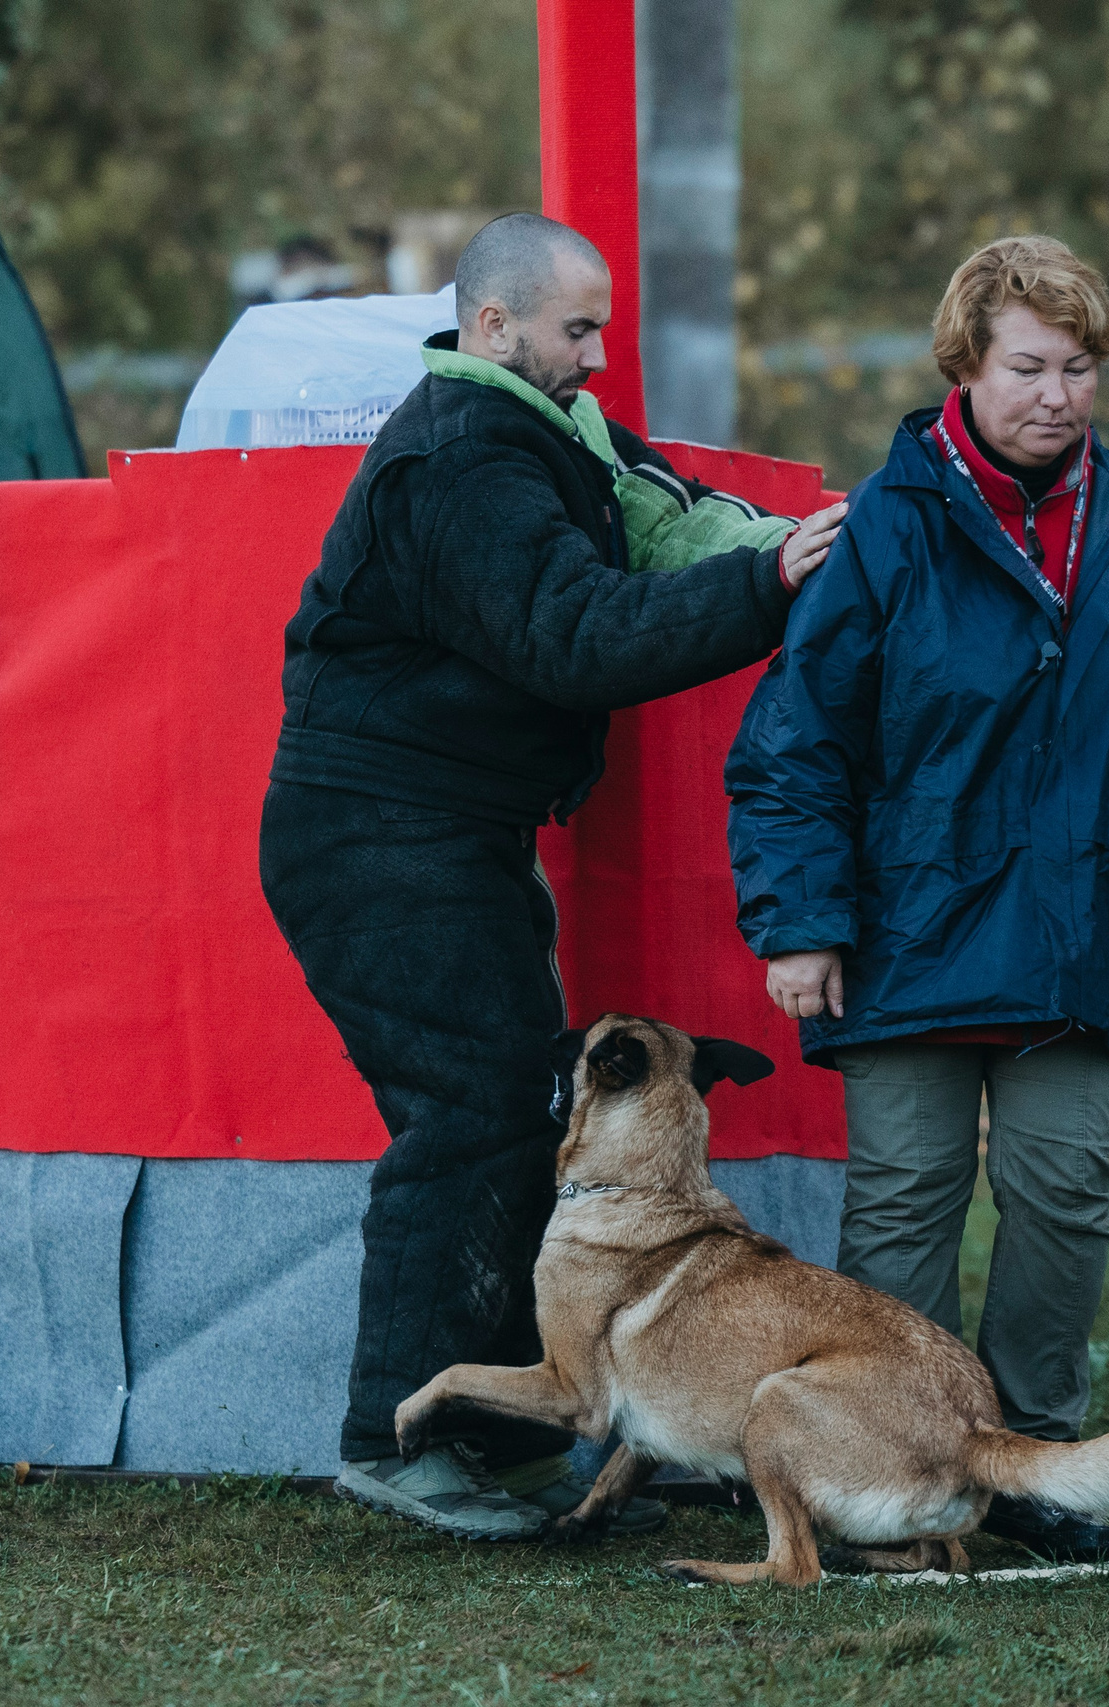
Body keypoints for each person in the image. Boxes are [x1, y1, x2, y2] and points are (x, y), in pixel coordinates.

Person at [260, 212, 847, 1541]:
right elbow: (572, 633)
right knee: (469, 1118)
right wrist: (769, 583)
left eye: (602, 327)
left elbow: (671, 523)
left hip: (449, 831)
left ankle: (505, 1440)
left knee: (515, 1115)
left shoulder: (552, 432)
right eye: (576, 328)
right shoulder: (461, 459)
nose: (596, 354)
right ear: (493, 327)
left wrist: (809, 550)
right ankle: (393, 1439)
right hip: (375, 834)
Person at [724, 235, 1109, 1564]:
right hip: (907, 936)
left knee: (1062, 1190)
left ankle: (1035, 1465)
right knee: (903, 1197)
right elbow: (796, 742)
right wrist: (799, 920)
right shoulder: (887, 529)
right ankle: (896, 1472)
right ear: (965, 364)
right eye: (1029, 366)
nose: (1058, 393)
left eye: (1081, 367)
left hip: (1075, 935)